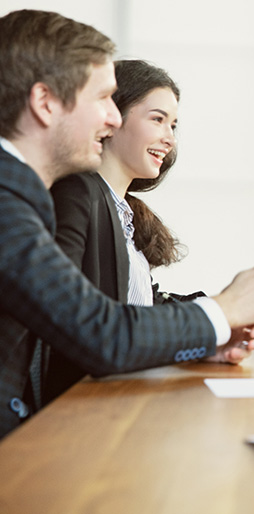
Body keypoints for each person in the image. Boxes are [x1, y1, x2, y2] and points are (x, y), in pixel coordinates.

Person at [0, 8, 254, 439]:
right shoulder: (10, 203)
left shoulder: (22, 195)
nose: (114, 117)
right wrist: (227, 306)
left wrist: (205, 337)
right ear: (45, 102)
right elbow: (101, 332)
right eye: (101, 98)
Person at [46, 60, 213, 400]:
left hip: (123, 389)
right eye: (158, 119)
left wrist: (216, 327)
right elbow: (80, 321)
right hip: (85, 403)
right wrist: (219, 315)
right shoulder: (77, 194)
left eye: (173, 126)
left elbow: (142, 307)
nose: (169, 139)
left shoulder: (120, 210)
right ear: (112, 116)